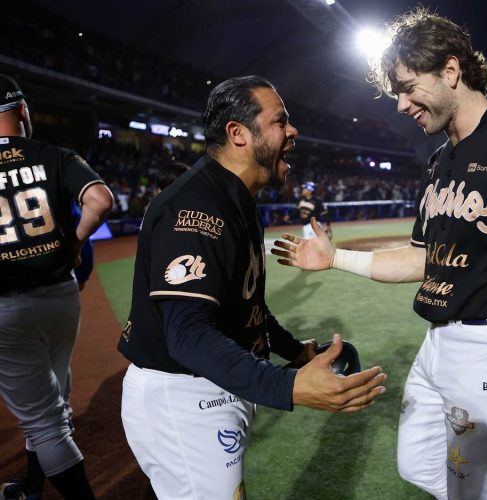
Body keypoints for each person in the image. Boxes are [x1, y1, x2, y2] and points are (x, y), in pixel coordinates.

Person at [272, 9, 487, 499]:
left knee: (473, 491)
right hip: (438, 343)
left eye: (407, 88)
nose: (400, 105)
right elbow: (422, 259)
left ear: (450, 71)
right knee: (416, 465)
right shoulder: (441, 160)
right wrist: (335, 259)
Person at [117, 75, 386, 499]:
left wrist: (295, 351)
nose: (293, 131)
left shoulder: (235, 198)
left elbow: (245, 307)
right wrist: (288, 386)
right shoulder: (195, 207)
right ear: (238, 133)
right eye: (281, 121)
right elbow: (186, 333)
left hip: (215, 382)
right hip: (184, 392)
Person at [0, 74, 113, 500]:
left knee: (43, 421)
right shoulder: (53, 154)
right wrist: (76, 241)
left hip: (5, 308)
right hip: (60, 295)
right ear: (23, 111)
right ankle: (32, 489)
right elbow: (100, 200)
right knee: (54, 396)